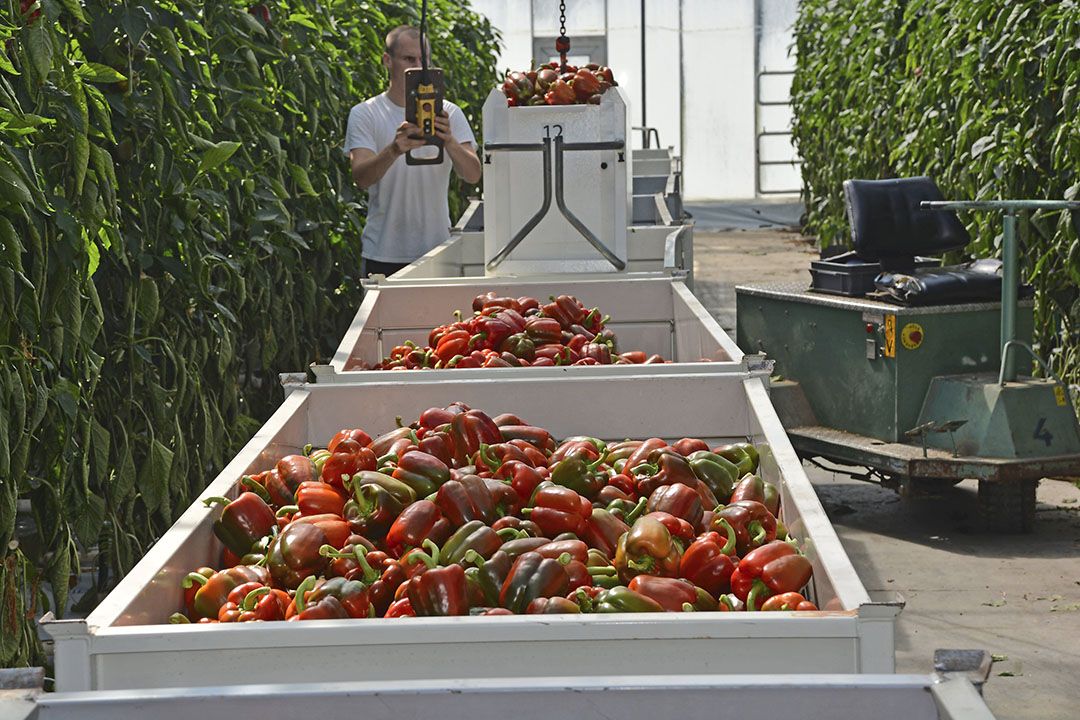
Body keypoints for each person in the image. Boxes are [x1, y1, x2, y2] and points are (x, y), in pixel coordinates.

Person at [344, 25, 483, 278]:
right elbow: (361, 177)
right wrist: (394, 149)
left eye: (424, 59)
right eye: (409, 59)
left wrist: (449, 141)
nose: (419, 67)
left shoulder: (449, 113)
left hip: (437, 251)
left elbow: (473, 174)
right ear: (388, 61)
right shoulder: (366, 113)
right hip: (383, 253)